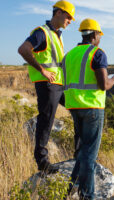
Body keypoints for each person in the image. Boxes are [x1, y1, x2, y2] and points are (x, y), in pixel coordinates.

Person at [62, 18, 114, 200]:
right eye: (99, 35)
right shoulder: (97, 53)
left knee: (82, 151)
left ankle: (69, 189)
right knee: (89, 155)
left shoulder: (70, 55)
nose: (100, 39)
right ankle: (87, 196)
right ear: (95, 35)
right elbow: (104, 84)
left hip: (74, 106)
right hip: (92, 108)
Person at [18, 0, 75, 173]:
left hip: (59, 84)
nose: (70, 20)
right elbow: (23, 49)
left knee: (78, 108)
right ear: (58, 13)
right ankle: (42, 162)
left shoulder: (57, 34)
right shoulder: (41, 33)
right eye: (68, 16)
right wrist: (42, 70)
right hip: (48, 85)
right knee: (46, 120)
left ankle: (80, 152)